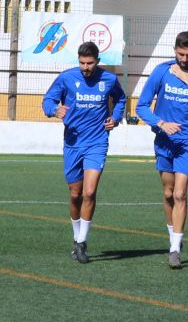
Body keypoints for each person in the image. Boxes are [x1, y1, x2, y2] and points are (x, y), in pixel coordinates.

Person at [134, 31, 188, 269]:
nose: (184, 59)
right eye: (181, 54)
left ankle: (174, 249)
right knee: (168, 193)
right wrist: (160, 123)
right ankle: (174, 238)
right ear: (174, 50)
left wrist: (187, 80)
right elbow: (141, 107)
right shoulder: (161, 70)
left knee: (181, 194)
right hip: (164, 140)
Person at [42, 41, 127, 264]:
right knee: (75, 194)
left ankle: (82, 242)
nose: (85, 67)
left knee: (89, 192)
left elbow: (120, 99)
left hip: (97, 142)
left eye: (89, 63)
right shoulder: (67, 78)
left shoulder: (108, 79)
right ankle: (75, 236)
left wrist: (115, 118)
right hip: (72, 143)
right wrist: (54, 109)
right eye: (82, 63)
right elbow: (48, 100)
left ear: (98, 61)